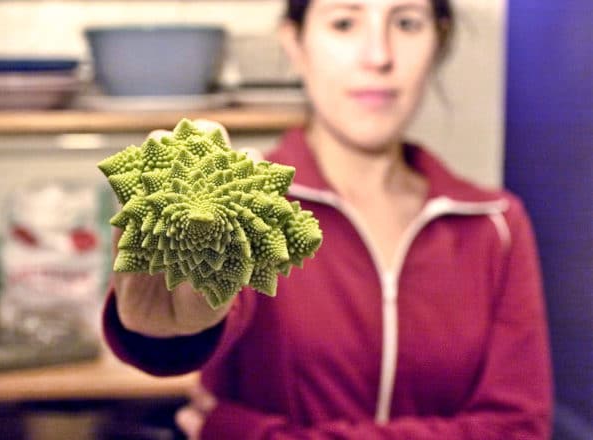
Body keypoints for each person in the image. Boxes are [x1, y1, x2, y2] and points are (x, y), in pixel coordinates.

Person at [102, 0, 553, 438]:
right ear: (295, 44)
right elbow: (198, 316)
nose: (378, 56)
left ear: (440, 39)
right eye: (344, 23)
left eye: (408, 23)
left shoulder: (495, 224)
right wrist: (169, 334)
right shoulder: (248, 209)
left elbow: (519, 429)